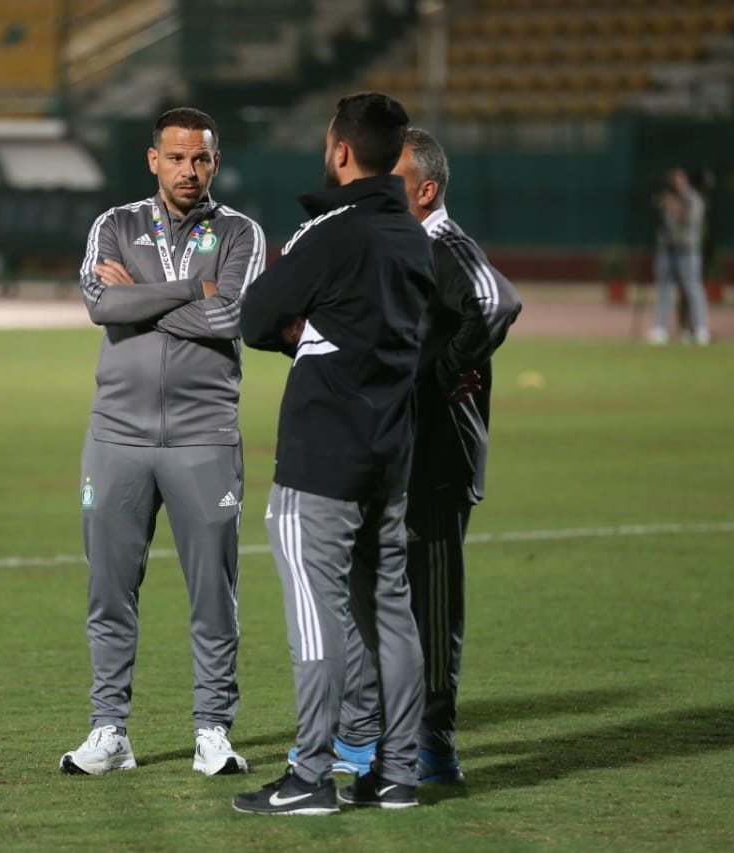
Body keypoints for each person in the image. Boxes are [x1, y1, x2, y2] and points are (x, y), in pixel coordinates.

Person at [299, 127, 523, 786]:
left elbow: (497, 301)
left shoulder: (444, 244)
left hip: (435, 459)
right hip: (376, 449)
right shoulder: (383, 244)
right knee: (362, 594)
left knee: (429, 602)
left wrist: (444, 371)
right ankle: (366, 732)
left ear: (425, 191)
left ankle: (432, 742)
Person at [233, 92, 435, 816]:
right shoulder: (413, 234)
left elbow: (256, 315)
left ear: (341, 150)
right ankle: (399, 773)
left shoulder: (331, 231)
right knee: (391, 612)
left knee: (316, 615)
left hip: (322, 454)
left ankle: (312, 776)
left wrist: (302, 333)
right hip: (391, 452)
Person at [62, 107, 266, 778]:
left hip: (204, 436)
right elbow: (102, 305)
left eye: (200, 158)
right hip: (116, 436)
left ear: (215, 161)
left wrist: (144, 298)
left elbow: (230, 315)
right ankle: (109, 730)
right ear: (154, 159)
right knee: (109, 590)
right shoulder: (114, 225)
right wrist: (189, 291)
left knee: (213, 594)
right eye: (176, 157)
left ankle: (213, 730)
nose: (189, 170)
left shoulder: (240, 232)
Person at [648, 167, 710, 346]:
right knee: (664, 289)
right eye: (674, 181)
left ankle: (701, 328)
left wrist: (671, 205)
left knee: (693, 288)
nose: (677, 185)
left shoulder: (693, 199)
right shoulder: (664, 198)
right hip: (667, 248)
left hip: (688, 249)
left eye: (680, 181)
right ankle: (659, 328)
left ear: (685, 182)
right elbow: (659, 221)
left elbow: (689, 219)